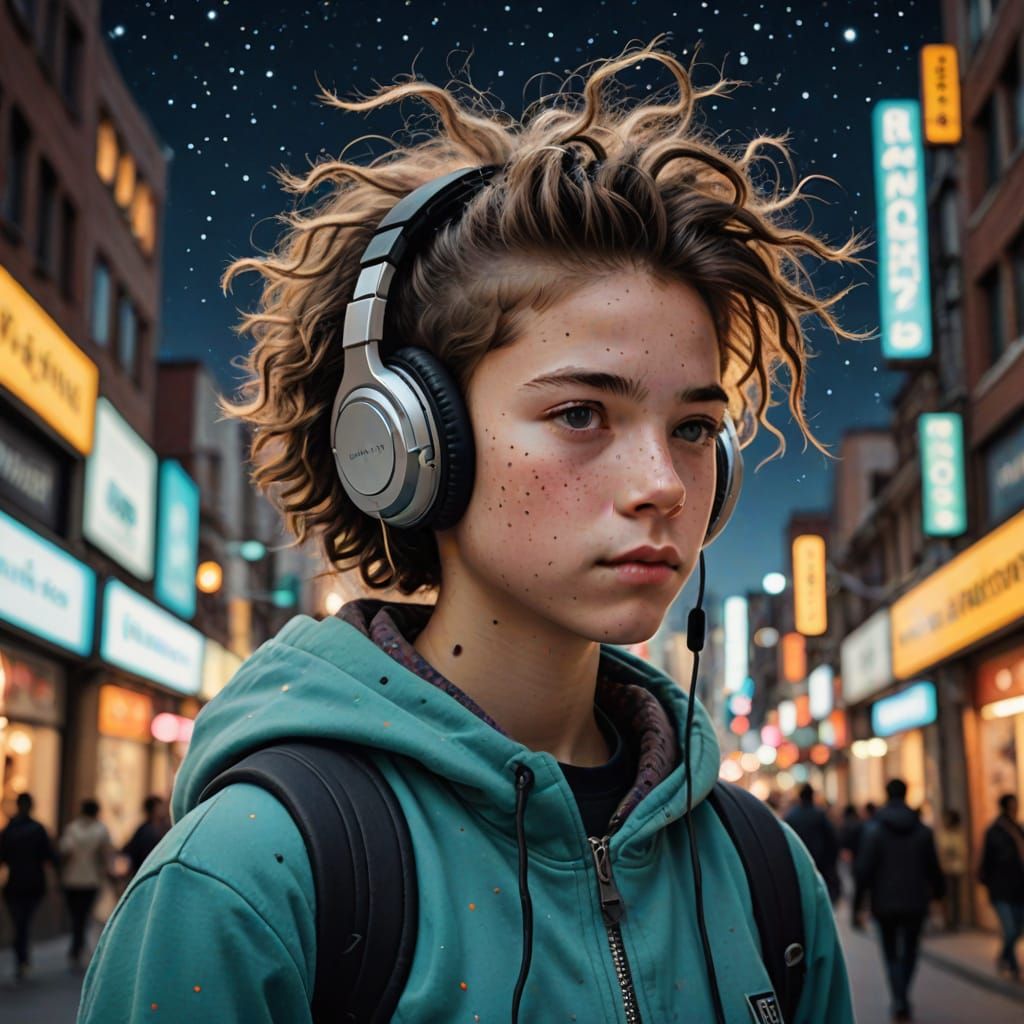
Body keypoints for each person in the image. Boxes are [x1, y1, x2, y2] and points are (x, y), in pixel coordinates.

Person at [80, 40, 868, 1023]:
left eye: (695, 428)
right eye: (582, 412)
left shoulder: (763, 870)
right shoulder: (249, 879)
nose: (664, 484)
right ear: (409, 439)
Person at [855, 778, 945, 1022]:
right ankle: (903, 993)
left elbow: (864, 870)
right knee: (911, 950)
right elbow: (934, 868)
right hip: (916, 901)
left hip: (884, 902)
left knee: (890, 952)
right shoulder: (923, 830)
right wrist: (939, 896)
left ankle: (899, 997)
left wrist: (857, 906)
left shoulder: (874, 830)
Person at [0, 793, 57, 980]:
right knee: (23, 922)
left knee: (19, 922)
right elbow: (49, 857)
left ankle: (21, 956)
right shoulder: (38, 829)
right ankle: (22, 957)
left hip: (14, 883)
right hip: (33, 883)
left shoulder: (9, 829)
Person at [59, 799, 113, 968]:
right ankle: (78, 947)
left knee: (76, 916)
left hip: (71, 880)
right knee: (85, 915)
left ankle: (76, 947)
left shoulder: (72, 828)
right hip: (91, 881)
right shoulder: (100, 830)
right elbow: (106, 855)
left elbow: (64, 851)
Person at [979, 793, 1024, 981]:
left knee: (1018, 928)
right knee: (1010, 929)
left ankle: (1005, 958)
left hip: (1019, 888)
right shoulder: (995, 831)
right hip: (1001, 888)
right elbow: (986, 861)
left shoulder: (1019, 829)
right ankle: (1012, 965)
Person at [785, 783, 841, 903]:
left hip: (798, 861)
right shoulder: (820, 814)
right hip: (819, 860)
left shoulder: (791, 816)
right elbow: (831, 839)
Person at [934, 808, 968, 932]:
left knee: (955, 896)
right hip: (945, 869)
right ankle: (948, 920)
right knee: (945, 896)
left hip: (955, 869)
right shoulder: (943, 833)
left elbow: (960, 851)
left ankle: (955, 920)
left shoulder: (958, 833)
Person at [121, 795, 169, 879]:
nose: (163, 809)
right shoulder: (144, 831)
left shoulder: (165, 828)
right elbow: (131, 850)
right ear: (153, 809)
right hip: (145, 874)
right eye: (160, 806)